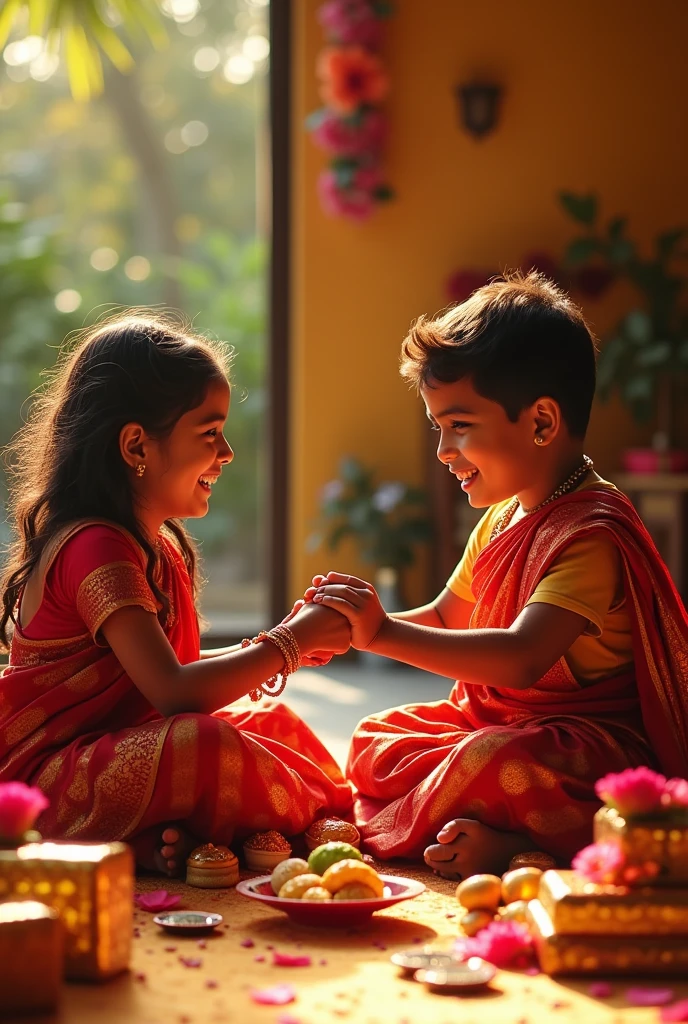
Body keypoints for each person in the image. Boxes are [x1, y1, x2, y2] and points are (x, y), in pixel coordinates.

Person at [304, 272, 688, 880]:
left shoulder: (590, 533)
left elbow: (520, 660)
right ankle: (493, 824)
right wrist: (349, 629)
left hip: (583, 744)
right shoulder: (506, 513)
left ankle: (517, 847)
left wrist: (380, 635)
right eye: (438, 428)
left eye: (459, 425)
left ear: (540, 422)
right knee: (380, 736)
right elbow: (442, 618)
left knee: (495, 759)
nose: (443, 450)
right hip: (501, 722)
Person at [0, 315, 353, 876]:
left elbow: (167, 673)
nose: (229, 452)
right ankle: (300, 825)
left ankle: (182, 837)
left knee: (272, 720)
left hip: (116, 750)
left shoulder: (155, 544)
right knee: (205, 744)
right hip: (47, 781)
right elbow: (171, 693)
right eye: (210, 433)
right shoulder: (96, 546)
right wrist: (287, 643)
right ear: (137, 444)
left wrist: (286, 645)